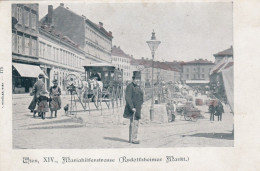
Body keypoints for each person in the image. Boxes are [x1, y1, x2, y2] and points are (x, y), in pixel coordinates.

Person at [123, 71, 144, 144]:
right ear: (133, 79)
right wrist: (132, 107)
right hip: (132, 109)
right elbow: (128, 98)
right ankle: (133, 139)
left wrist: (141, 104)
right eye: (136, 79)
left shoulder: (138, 87)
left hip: (137, 108)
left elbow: (141, 96)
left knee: (136, 123)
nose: (138, 80)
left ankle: (132, 138)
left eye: (139, 79)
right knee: (133, 123)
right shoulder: (130, 86)